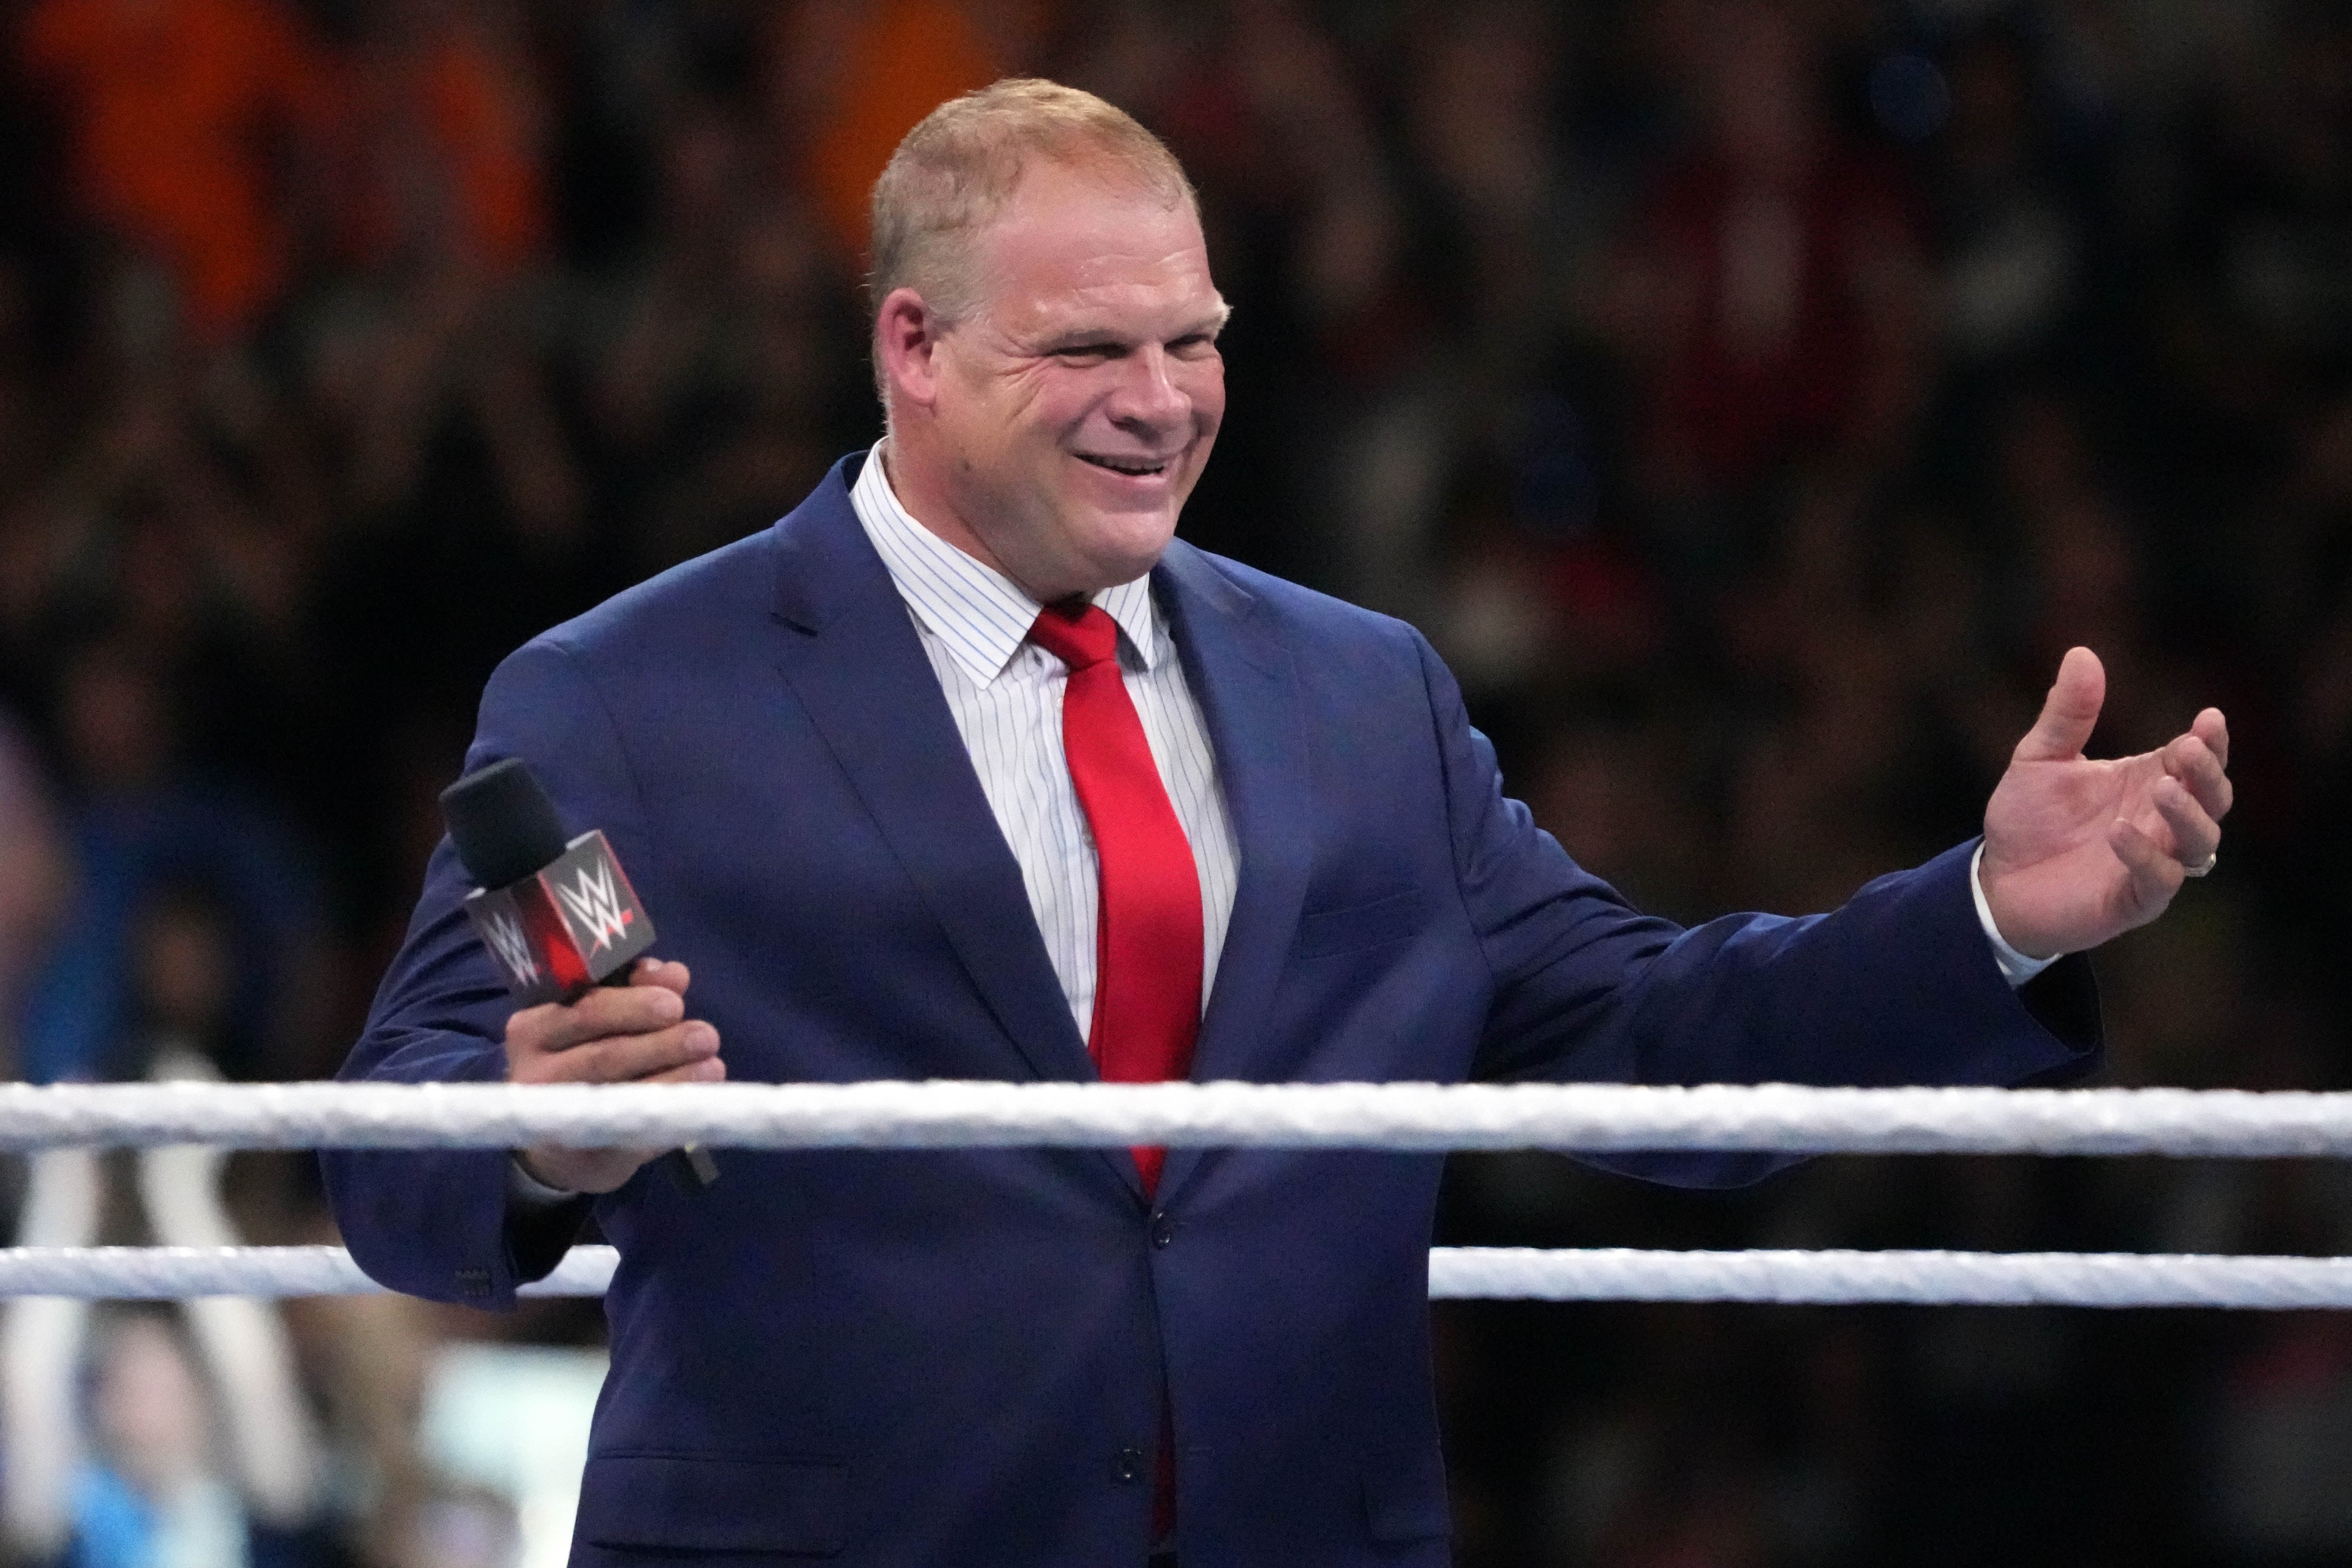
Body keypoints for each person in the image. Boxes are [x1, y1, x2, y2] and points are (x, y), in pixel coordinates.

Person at [325, 80, 2233, 1567]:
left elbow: (1664, 1054)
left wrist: (1991, 916)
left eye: (1193, 340)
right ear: (913, 348)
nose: (1159, 404)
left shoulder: (1357, 694)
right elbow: (387, 1154)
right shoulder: (632, 693)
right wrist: (542, 1138)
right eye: (1087, 352)